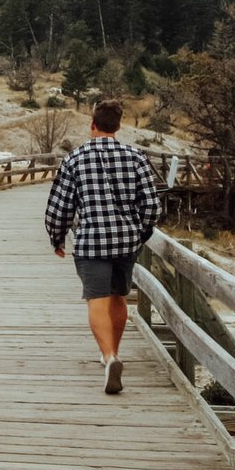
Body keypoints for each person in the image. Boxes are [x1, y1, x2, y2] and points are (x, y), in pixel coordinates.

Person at [43, 99, 162, 394]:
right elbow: (151, 205)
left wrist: (56, 238)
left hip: (92, 240)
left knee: (96, 299)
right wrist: (142, 232)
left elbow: (60, 207)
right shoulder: (136, 157)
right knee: (119, 297)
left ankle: (109, 356)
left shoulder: (75, 159)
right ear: (118, 127)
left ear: (92, 125)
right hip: (125, 240)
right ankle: (113, 352)